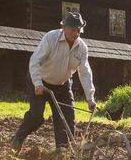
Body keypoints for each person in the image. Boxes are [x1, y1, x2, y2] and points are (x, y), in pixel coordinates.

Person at [11, 12, 96, 152]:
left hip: (62, 85)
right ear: (64, 28)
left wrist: (90, 98)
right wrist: (38, 84)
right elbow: (35, 61)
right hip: (40, 82)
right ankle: (18, 137)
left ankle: (62, 153)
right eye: (72, 30)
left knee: (67, 119)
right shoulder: (51, 38)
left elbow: (85, 72)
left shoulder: (82, 48)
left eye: (78, 30)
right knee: (37, 116)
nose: (75, 33)